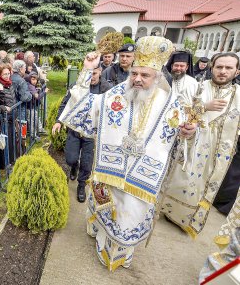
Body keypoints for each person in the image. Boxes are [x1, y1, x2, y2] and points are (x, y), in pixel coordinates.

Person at [59, 36, 197, 270]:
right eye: (135, 73)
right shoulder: (115, 95)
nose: (137, 79)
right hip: (110, 171)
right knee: (107, 210)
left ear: (157, 77)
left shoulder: (172, 104)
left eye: (145, 75)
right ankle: (101, 241)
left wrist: (188, 133)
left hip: (143, 178)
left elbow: (183, 137)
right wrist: (86, 72)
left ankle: (122, 254)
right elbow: (84, 106)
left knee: (129, 216)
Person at [162, 52, 240, 234]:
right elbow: (182, 110)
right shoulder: (199, 87)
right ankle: (172, 213)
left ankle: (190, 220)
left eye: (228, 68)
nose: (223, 71)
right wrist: (205, 106)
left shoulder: (238, 95)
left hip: (219, 151)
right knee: (185, 179)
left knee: (205, 184)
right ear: (212, 68)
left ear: (237, 71)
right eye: (219, 67)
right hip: (194, 142)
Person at [52, 64, 102, 202]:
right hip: (74, 130)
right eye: (89, 74)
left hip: (91, 134)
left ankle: (81, 185)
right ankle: (74, 166)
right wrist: (58, 121)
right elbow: (65, 104)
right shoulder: (76, 87)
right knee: (70, 158)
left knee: (87, 163)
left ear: (100, 73)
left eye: (95, 74)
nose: (92, 77)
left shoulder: (105, 89)